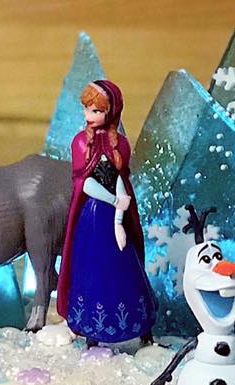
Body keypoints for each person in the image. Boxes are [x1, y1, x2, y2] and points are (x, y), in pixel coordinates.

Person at [56, 80, 156, 345]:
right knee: (91, 266)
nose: (89, 115)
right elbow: (86, 184)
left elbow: (121, 179)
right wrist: (114, 200)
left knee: (125, 265)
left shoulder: (120, 145)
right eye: (87, 109)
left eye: (96, 110)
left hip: (114, 217)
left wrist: (120, 217)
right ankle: (92, 332)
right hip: (93, 216)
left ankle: (140, 326)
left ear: (111, 112)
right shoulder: (80, 143)